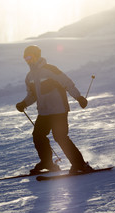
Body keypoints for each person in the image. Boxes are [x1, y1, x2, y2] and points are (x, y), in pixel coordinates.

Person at [16, 45, 93, 174]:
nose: (27, 60)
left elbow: (67, 83)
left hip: (58, 109)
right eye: (25, 58)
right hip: (44, 111)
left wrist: (79, 97)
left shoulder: (50, 69)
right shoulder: (29, 76)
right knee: (38, 135)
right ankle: (47, 163)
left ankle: (79, 164)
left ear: (37, 55)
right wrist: (24, 103)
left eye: (29, 57)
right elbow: (32, 95)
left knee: (60, 136)